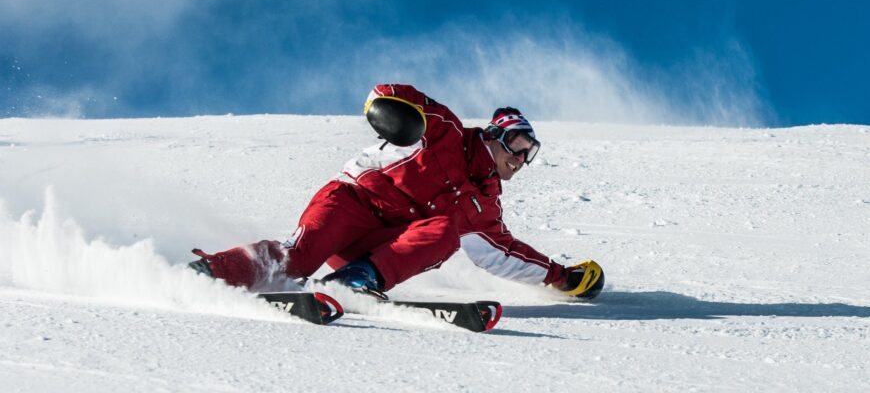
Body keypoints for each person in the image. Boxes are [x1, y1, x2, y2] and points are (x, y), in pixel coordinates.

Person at [188, 84, 604, 299]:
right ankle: (214, 273)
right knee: (299, 257)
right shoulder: (446, 132)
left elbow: (504, 254)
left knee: (445, 233)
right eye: (518, 146)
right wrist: (392, 116)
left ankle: (354, 282)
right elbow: (390, 92)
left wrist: (561, 277)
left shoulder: (484, 204)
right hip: (351, 203)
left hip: (376, 248)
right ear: (495, 136)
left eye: (529, 153)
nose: (521, 158)